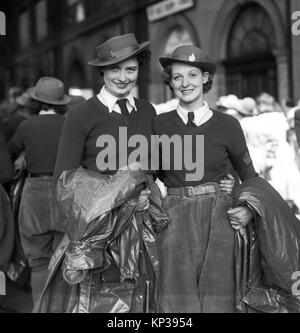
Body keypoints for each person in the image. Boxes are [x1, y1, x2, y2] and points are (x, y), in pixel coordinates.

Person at [153, 45, 258, 312]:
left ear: (205, 79)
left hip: (221, 220)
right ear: (170, 82)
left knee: (219, 299)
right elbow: (146, 174)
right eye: (177, 77)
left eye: (192, 75)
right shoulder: (158, 125)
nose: (185, 83)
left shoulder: (228, 125)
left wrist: (247, 207)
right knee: (176, 301)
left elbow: (249, 175)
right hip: (174, 221)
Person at [9, 77, 71, 306]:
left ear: (35, 101)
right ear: (61, 102)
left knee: (38, 261)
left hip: (34, 195)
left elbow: (12, 152)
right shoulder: (70, 124)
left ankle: (40, 309)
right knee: (64, 258)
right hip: (64, 192)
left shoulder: (26, 126)